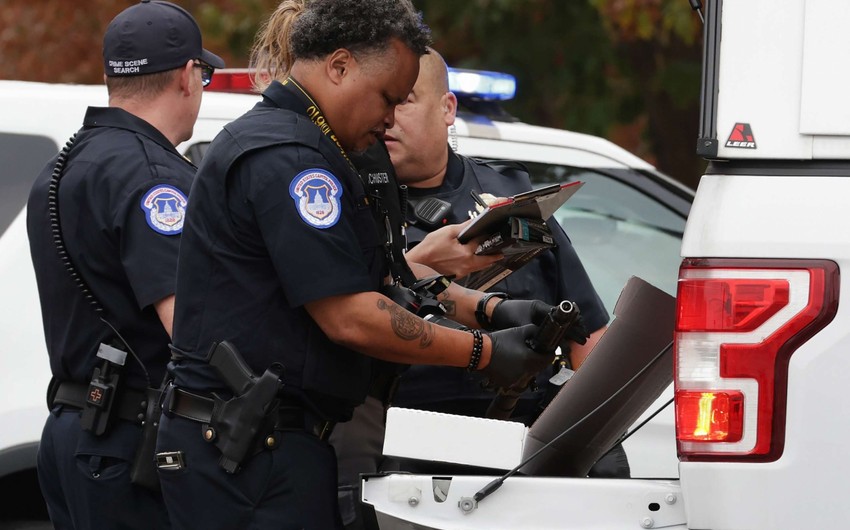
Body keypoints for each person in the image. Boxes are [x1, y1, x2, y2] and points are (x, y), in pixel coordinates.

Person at [154, 1, 564, 529]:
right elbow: (350, 315)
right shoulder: (291, 159)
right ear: (341, 66)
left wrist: (487, 310)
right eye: (387, 98)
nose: (391, 117)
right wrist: (483, 353)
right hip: (247, 450)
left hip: (266, 442)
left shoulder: (317, 151)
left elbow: (379, 281)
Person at [26, 1, 224, 528]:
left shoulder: (60, 167)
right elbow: (191, 325)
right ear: (188, 76)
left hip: (75, 433)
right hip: (130, 444)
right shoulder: (156, 177)